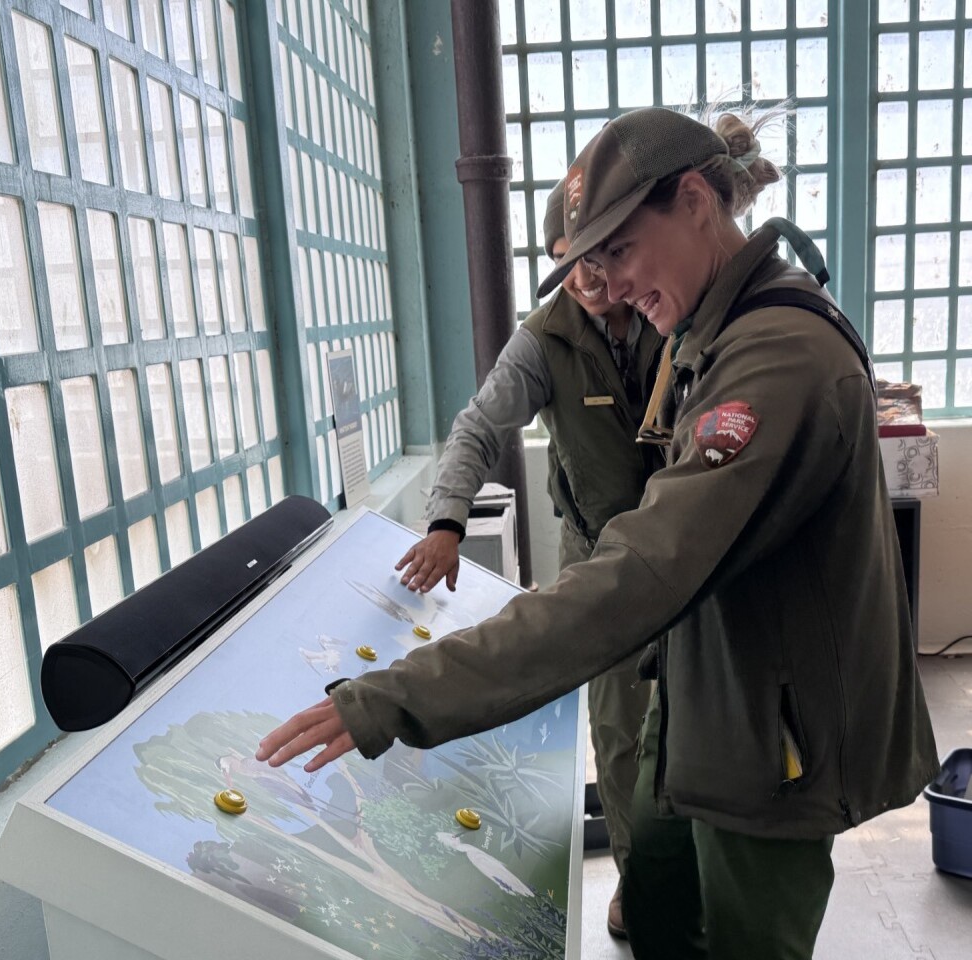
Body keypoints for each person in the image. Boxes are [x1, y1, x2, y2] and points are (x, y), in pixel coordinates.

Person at [256, 106, 939, 960]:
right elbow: (507, 449)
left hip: (772, 740)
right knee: (653, 878)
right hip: (704, 687)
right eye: (590, 262)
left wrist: (397, 696)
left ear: (694, 199)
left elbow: (643, 572)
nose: (607, 285)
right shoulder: (701, 332)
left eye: (619, 250)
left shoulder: (775, 357)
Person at [393, 184, 663, 938]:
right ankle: (640, 883)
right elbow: (479, 427)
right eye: (565, 262)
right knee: (618, 726)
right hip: (600, 553)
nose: (588, 277)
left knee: (701, 716)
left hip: (688, 541)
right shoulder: (543, 339)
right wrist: (447, 520)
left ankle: (696, 872)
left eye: (600, 256)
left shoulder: (665, 305)